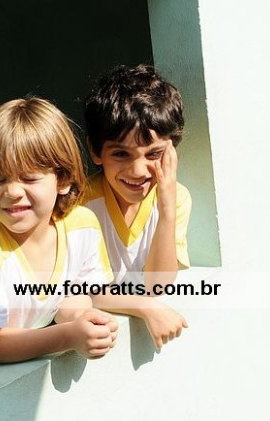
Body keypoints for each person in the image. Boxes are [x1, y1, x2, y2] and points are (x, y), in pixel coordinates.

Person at [0, 97, 118, 363]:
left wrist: (82, 319)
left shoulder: (81, 227)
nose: (13, 192)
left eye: (29, 178)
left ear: (63, 179)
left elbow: (73, 295)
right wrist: (67, 336)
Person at [82, 64, 192, 347]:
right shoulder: (80, 205)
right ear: (95, 151)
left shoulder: (176, 199)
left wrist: (166, 210)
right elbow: (82, 291)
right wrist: (145, 307)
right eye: (121, 154)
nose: (138, 171)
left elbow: (158, 284)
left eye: (154, 154)